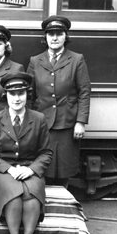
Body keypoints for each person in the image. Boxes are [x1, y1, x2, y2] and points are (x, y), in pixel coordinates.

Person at [0, 72, 52, 234]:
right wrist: (9, 169)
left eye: (21, 93)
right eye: (13, 94)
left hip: (30, 167)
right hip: (3, 170)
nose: (17, 98)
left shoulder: (39, 119)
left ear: (27, 95)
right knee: (13, 195)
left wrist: (31, 170)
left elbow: (46, 152)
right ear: (6, 96)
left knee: (32, 194)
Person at [26, 15, 91, 187]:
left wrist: (80, 122)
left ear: (65, 36)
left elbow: (84, 92)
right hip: (42, 122)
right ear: (45, 37)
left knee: (64, 169)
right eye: (50, 34)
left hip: (66, 123)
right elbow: (29, 93)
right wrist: (29, 121)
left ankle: (63, 207)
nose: (54, 38)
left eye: (59, 33)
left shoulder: (77, 59)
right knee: (42, 168)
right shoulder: (35, 61)